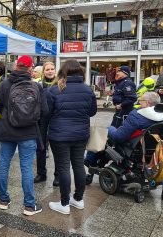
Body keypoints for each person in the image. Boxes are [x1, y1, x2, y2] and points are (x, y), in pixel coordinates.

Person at [0, 55, 48, 216]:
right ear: (30, 68)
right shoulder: (36, 87)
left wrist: (8, 111)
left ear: (16, 66)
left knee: (3, 164)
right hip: (28, 133)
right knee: (26, 168)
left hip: (7, 132)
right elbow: (45, 111)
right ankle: (29, 206)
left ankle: (3, 201)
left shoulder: (3, 85)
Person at [47, 59, 97, 215]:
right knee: (78, 165)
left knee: (63, 167)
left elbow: (47, 112)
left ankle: (64, 203)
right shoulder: (88, 90)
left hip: (59, 135)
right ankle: (79, 199)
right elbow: (92, 112)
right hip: (81, 134)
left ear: (63, 71)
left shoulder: (54, 90)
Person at [33, 62, 59, 186]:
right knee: (41, 147)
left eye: (52, 69)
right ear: (43, 72)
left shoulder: (60, 84)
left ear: (55, 70)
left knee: (58, 149)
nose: (50, 71)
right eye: (47, 69)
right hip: (41, 119)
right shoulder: (38, 84)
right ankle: (41, 173)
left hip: (56, 120)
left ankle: (58, 176)